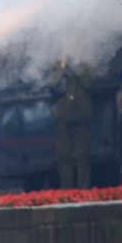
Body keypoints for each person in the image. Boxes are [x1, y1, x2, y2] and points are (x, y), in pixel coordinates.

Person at [49, 58, 93, 189]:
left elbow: (90, 82)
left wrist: (77, 68)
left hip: (81, 116)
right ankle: (67, 191)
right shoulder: (57, 64)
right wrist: (62, 67)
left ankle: (84, 190)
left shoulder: (85, 63)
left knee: (82, 157)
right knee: (63, 157)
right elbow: (51, 84)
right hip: (63, 117)